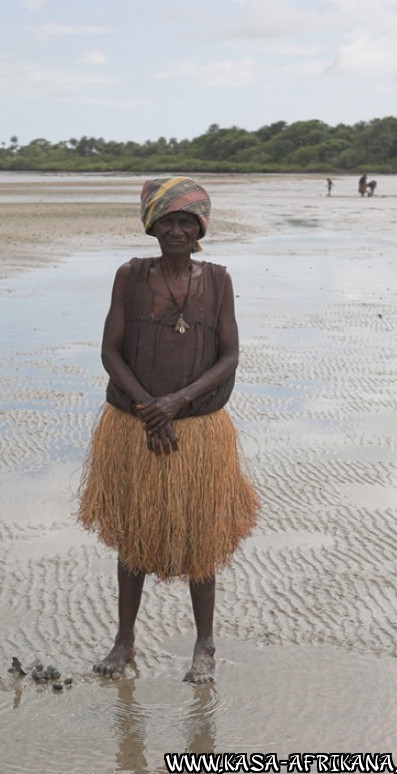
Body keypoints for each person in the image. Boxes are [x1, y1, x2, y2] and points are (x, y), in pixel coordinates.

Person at [79, 176, 259, 684]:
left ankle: (205, 646)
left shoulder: (218, 280)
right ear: (151, 225)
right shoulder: (130, 276)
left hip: (199, 431)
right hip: (134, 426)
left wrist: (176, 402)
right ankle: (124, 642)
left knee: (201, 539)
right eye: (167, 221)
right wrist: (146, 407)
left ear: (200, 226)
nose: (176, 230)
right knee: (134, 537)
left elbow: (230, 356)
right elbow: (110, 351)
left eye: (186, 221)